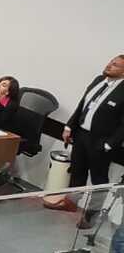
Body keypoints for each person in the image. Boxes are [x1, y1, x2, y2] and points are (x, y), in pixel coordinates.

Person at [44, 54, 124, 216]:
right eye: (110, 61)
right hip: (81, 135)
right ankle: (71, 203)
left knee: (98, 180)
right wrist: (69, 126)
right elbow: (83, 104)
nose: (109, 65)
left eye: (115, 65)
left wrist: (109, 145)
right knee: (77, 172)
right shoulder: (98, 80)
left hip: (101, 142)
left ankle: (91, 214)